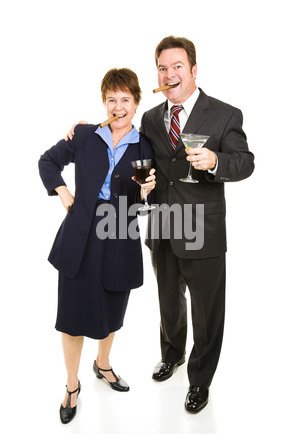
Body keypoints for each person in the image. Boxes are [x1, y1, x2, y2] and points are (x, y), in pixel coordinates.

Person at [65, 36, 255, 414]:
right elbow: (124, 135)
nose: (170, 74)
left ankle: (200, 380)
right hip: (163, 226)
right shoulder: (152, 117)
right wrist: (84, 130)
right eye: (163, 68)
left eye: (178, 67)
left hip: (203, 230)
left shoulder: (225, 114)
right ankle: (172, 355)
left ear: (194, 70)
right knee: (169, 301)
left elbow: (245, 162)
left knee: (206, 310)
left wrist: (215, 160)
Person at [38, 68, 156, 424]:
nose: (118, 107)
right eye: (111, 100)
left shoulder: (144, 144)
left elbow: (138, 198)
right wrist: (63, 192)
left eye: (125, 100)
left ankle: (102, 364)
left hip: (119, 236)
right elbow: (47, 161)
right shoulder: (86, 135)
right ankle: (72, 386)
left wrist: (146, 194)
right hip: (80, 236)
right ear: (104, 102)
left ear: (136, 103)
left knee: (111, 311)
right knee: (72, 318)